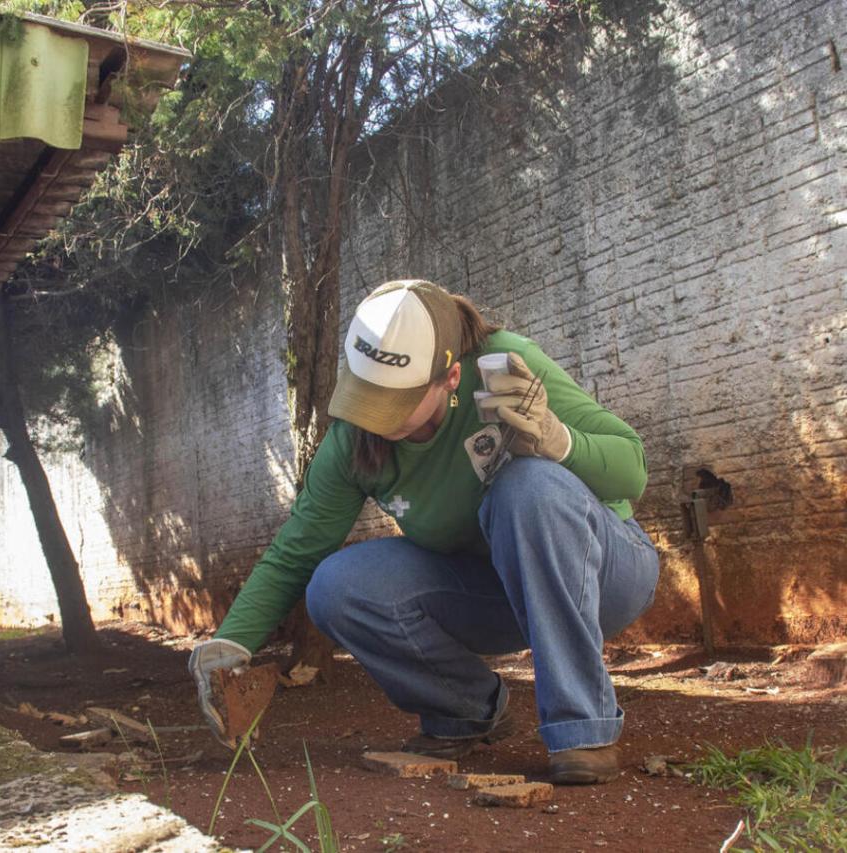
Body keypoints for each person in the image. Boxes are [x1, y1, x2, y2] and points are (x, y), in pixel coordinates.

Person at [189, 279, 659, 784]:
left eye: (395, 399)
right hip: (492, 594)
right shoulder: (352, 440)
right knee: (336, 586)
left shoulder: (504, 366)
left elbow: (631, 472)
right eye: (366, 394)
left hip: (603, 571)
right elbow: (296, 550)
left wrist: (557, 439)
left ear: (450, 377)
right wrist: (230, 645)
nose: (373, 415)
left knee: (529, 487)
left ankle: (581, 728)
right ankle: (466, 708)